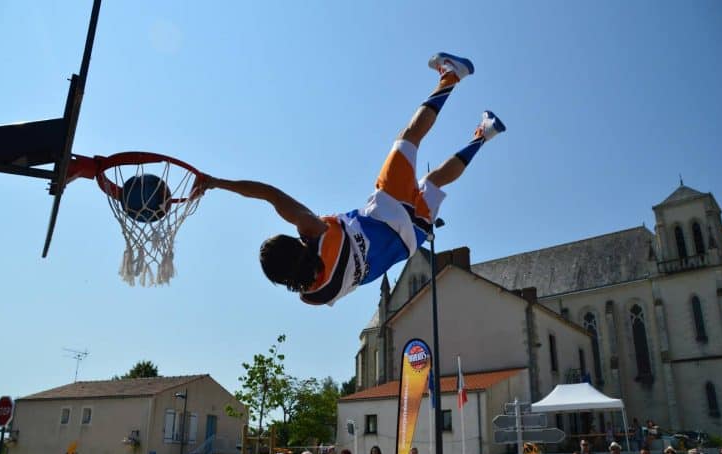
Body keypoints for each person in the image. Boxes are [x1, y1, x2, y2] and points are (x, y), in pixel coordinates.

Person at [197, 52, 506, 306]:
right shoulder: (316, 232)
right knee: (407, 140)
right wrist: (215, 182)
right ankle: (451, 75)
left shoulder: (314, 295)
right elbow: (269, 194)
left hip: (410, 240)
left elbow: (320, 272)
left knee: (434, 181)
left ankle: (484, 134)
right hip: (387, 214)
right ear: (294, 244)